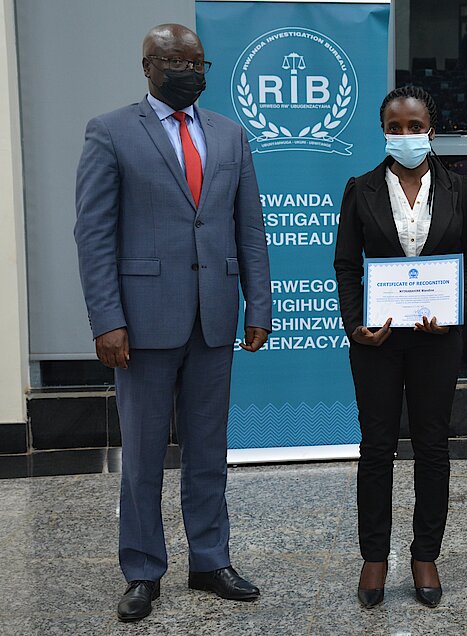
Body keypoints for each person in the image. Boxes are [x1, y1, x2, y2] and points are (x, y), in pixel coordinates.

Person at [74, 24, 271, 622]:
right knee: (142, 456)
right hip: (142, 325)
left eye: (197, 63)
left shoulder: (230, 134)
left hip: (214, 319)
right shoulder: (110, 131)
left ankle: (210, 560)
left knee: (209, 451)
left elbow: (249, 228)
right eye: (175, 62)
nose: (189, 72)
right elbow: (93, 234)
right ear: (147, 66)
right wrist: (107, 319)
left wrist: (257, 306)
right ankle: (142, 570)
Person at [334, 86, 467, 608]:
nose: (405, 135)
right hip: (375, 342)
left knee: (432, 447)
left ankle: (426, 555)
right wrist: (356, 324)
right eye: (394, 127)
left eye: (414, 126)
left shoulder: (460, 188)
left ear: (431, 130)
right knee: (377, 449)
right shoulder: (360, 188)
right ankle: (374, 557)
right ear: (383, 132)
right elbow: (346, 265)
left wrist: (453, 312)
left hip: (437, 342)